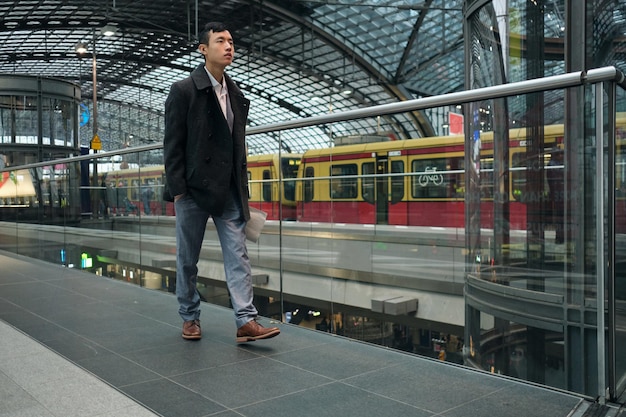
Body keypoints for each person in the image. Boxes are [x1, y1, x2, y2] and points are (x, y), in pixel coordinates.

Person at [163, 21, 280, 343]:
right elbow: (172, 145)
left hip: (228, 189)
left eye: (231, 41)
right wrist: (179, 190)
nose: (229, 46)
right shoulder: (184, 90)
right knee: (188, 258)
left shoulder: (236, 93)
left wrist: (241, 189)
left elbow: (235, 146)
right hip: (193, 189)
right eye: (220, 41)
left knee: (238, 254)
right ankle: (189, 317)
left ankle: (246, 320)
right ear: (203, 49)